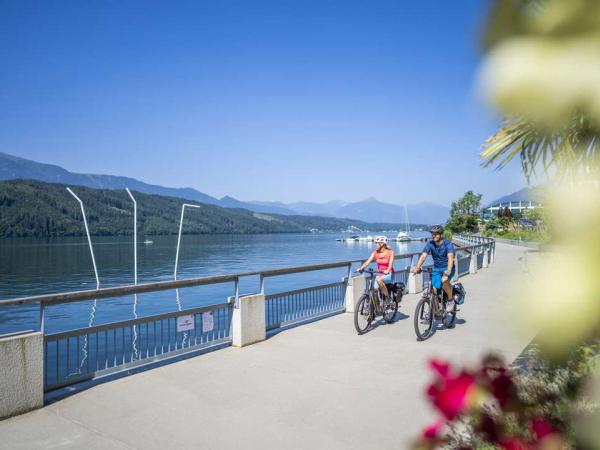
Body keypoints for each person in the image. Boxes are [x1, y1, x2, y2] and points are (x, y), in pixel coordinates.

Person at [411, 225, 455, 311]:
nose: (434, 235)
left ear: (441, 234)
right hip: (437, 268)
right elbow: (423, 256)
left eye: (436, 234)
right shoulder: (430, 244)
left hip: (447, 268)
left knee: (444, 280)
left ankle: (450, 300)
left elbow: (450, 257)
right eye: (432, 234)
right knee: (433, 288)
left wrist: (449, 269)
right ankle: (437, 304)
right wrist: (417, 267)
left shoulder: (447, 244)